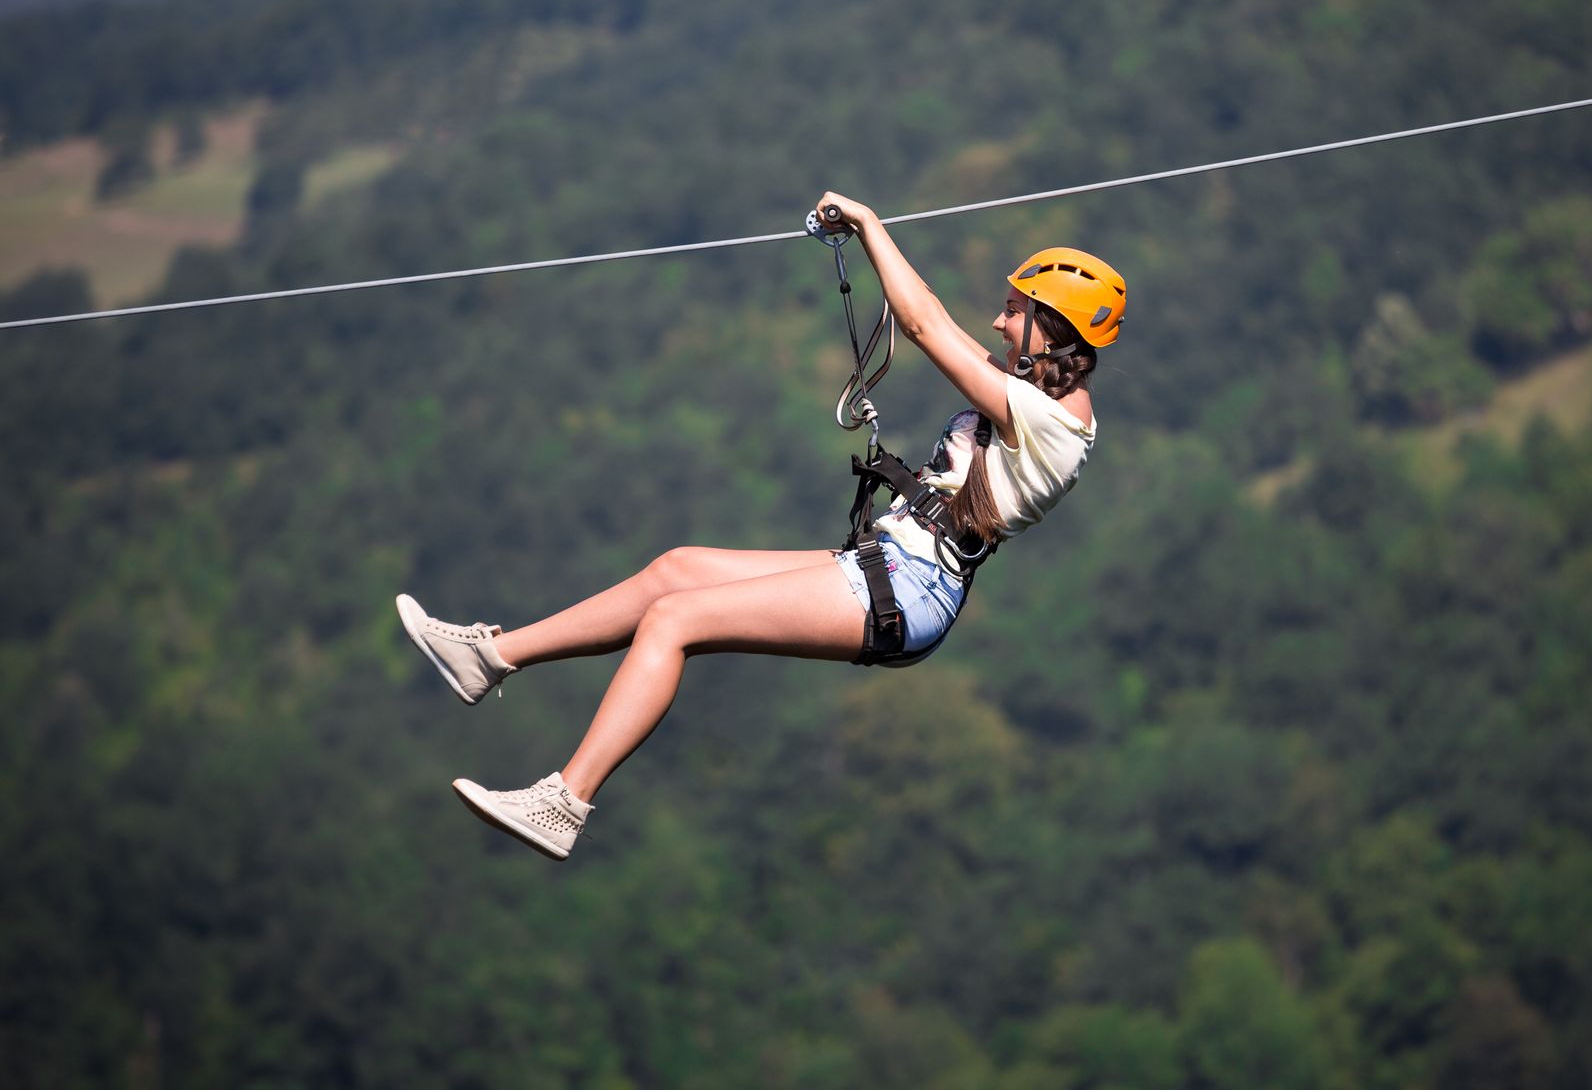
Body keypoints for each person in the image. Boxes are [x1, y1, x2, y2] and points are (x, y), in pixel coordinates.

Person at [395, 192, 1127, 859]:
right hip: (891, 565)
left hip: (910, 591)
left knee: (676, 619)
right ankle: (491, 658)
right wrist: (873, 234)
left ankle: (565, 802)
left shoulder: (1053, 423)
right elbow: (931, 310)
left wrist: (870, 224)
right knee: (675, 569)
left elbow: (922, 323)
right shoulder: (1028, 391)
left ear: (1050, 328)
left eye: (1012, 309)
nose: (998, 320)